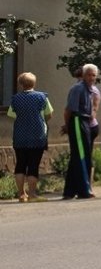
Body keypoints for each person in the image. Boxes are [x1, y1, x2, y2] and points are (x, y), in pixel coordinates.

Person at [8, 72, 53, 202]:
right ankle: (32, 194)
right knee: (34, 164)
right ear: (34, 83)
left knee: (20, 164)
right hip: (37, 135)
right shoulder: (42, 97)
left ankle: (21, 194)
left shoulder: (15, 98)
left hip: (20, 136)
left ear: (21, 84)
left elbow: (12, 114)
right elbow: (49, 114)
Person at [62, 64, 98, 199]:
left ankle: (69, 191)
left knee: (79, 156)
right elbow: (68, 110)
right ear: (83, 75)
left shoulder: (89, 89)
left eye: (94, 75)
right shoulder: (78, 88)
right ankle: (84, 190)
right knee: (82, 155)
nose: (91, 78)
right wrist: (67, 126)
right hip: (77, 120)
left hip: (85, 122)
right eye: (89, 74)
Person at [74, 67, 101, 193]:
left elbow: (94, 110)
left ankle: (88, 184)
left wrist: (85, 123)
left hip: (89, 126)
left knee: (86, 156)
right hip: (86, 125)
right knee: (83, 155)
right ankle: (84, 184)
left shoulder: (92, 90)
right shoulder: (81, 88)